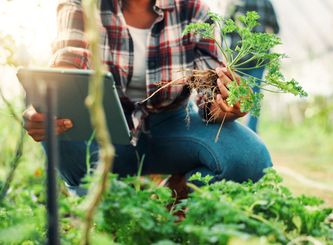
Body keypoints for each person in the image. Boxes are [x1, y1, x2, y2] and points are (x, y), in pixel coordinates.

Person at [22, 0, 272, 196]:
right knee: (60, 126)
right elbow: (69, 63)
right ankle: (95, 199)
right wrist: (47, 109)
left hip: (171, 126)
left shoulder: (193, 9)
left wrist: (226, 106)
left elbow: (210, 96)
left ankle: (177, 198)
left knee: (250, 158)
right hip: (104, 128)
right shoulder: (82, 3)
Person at [227, 0, 280, 133]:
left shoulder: (235, 2)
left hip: (237, 58)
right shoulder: (266, 3)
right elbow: (275, 28)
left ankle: (231, 130)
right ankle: (251, 132)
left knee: (232, 94)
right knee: (254, 97)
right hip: (259, 58)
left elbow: (225, 29)